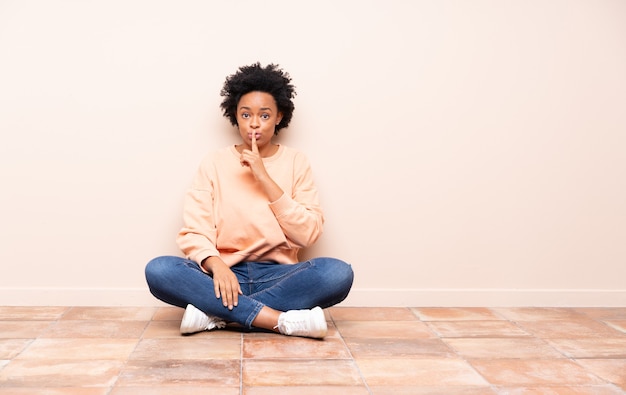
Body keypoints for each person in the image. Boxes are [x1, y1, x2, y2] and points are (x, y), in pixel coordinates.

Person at [145, 62, 354, 339]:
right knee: (159, 269)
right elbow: (196, 231)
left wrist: (264, 176)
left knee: (337, 273)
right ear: (236, 116)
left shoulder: (296, 162)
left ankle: (217, 315)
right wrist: (218, 268)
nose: (254, 123)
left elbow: (308, 233)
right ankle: (279, 320)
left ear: (279, 116)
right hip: (222, 275)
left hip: (280, 275)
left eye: (264, 115)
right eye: (246, 115)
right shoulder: (214, 162)